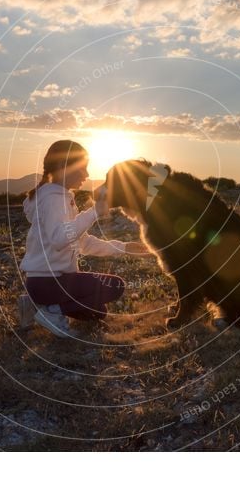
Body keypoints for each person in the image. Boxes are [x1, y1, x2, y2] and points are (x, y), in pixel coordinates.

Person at [17, 140, 149, 338]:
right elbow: (60, 240)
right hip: (49, 282)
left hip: (48, 283)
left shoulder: (60, 196)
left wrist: (122, 247)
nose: (86, 175)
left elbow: (82, 243)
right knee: (115, 286)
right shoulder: (54, 199)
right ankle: (52, 312)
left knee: (98, 312)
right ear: (63, 167)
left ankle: (35, 305)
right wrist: (94, 212)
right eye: (83, 168)